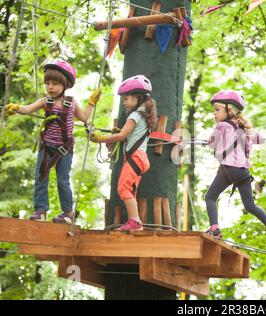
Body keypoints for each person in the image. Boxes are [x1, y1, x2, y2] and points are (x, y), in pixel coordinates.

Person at [5, 59, 100, 223]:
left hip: (65, 150)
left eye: (55, 83)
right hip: (46, 147)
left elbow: (84, 117)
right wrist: (16, 107)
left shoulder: (71, 102)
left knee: (63, 181)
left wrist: (91, 103)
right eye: (47, 83)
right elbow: (27, 109)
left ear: (65, 85)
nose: (50, 87)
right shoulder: (44, 101)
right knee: (41, 177)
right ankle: (41, 210)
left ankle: (68, 213)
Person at [205, 90, 266, 243]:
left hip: (229, 169)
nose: (214, 114)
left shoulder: (221, 126)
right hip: (243, 172)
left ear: (230, 110)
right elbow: (261, 140)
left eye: (217, 110)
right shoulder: (245, 128)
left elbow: (210, 143)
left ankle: (215, 229)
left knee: (210, 197)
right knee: (250, 205)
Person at [89, 75, 157, 231]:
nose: (124, 102)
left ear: (137, 98)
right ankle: (134, 221)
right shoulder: (143, 115)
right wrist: (117, 132)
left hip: (136, 157)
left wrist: (101, 138)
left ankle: (135, 221)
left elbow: (122, 136)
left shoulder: (134, 116)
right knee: (130, 190)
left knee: (123, 189)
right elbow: (128, 134)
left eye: (127, 98)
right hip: (140, 158)